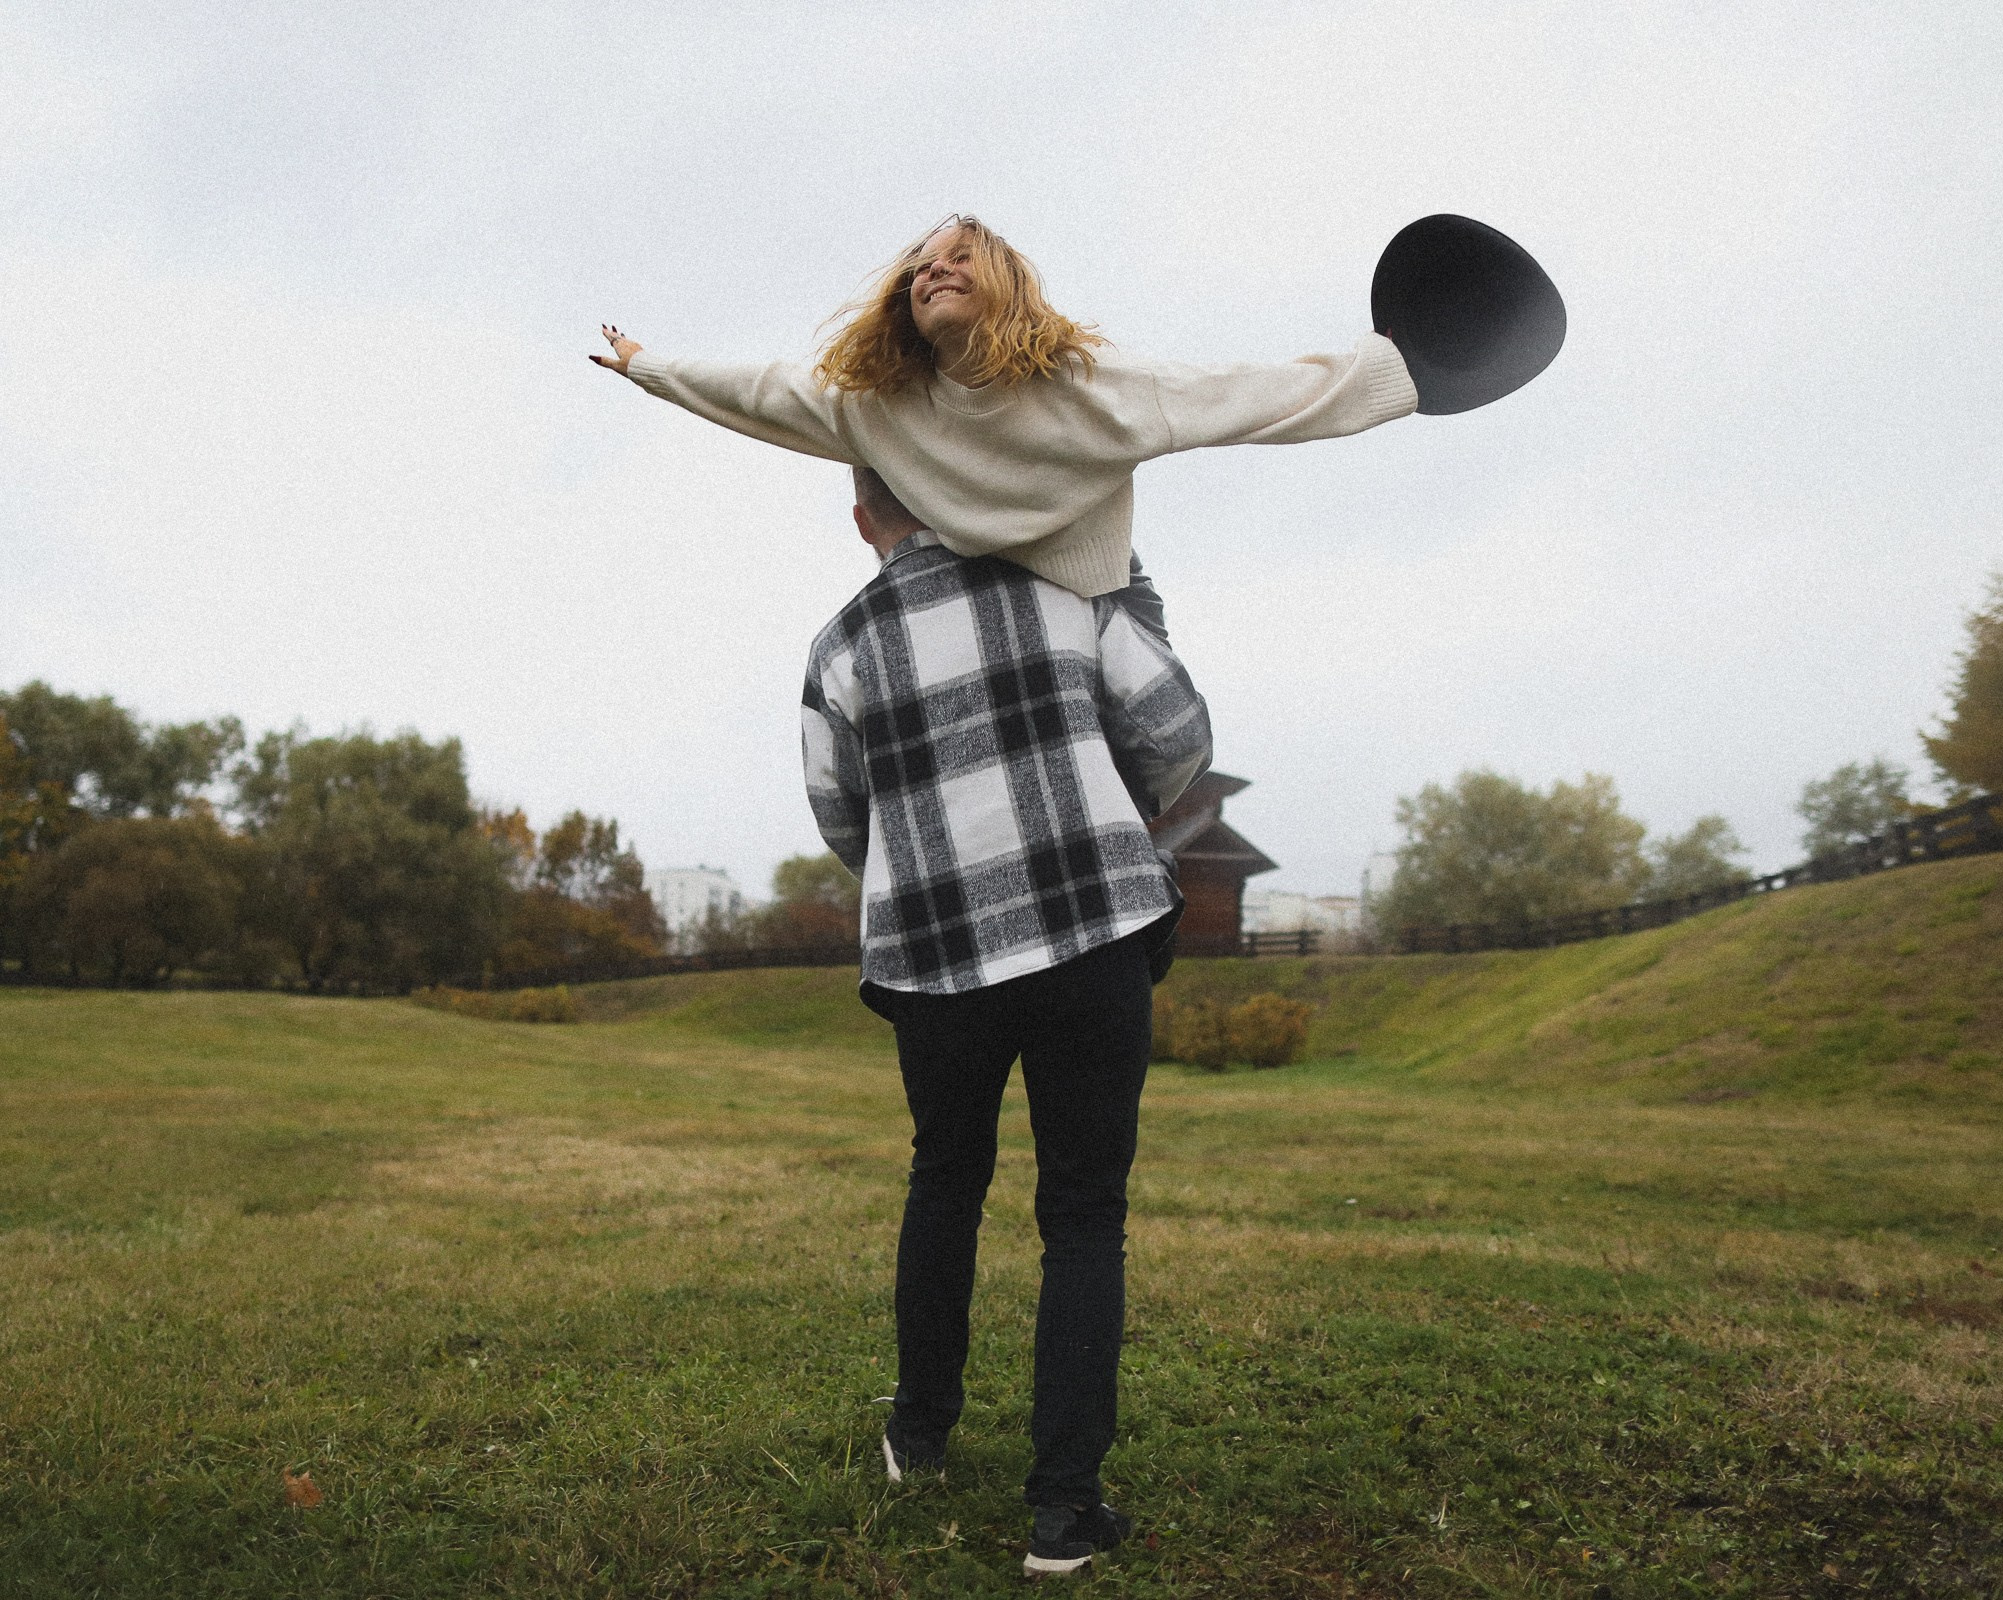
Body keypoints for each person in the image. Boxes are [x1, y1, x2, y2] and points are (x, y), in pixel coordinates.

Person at [803, 466, 1213, 1577]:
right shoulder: (1063, 589)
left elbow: (842, 811)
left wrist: (933, 855)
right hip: (1090, 926)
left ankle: (919, 1432)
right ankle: (1062, 1513)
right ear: (952, 471)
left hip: (935, 959)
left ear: (862, 518)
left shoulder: (839, 647)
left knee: (946, 1179)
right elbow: (1178, 733)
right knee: (1085, 1209)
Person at [592, 213, 1416, 603]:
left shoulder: (1087, 387)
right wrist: (649, 366)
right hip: (974, 601)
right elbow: (761, 390)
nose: (934, 271)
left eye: (959, 259)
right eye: (920, 266)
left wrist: (1389, 368)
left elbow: (1244, 395)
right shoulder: (880, 408)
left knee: (1155, 743)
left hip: (1100, 604)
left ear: (1005, 288)